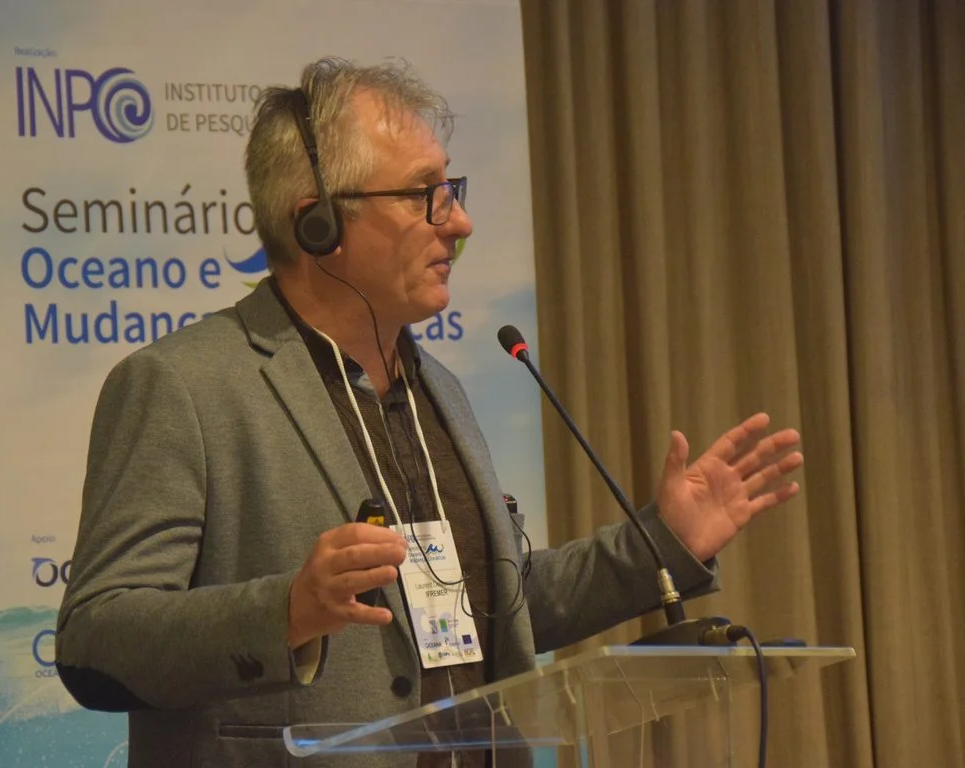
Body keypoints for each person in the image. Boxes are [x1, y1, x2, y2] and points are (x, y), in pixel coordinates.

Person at [55, 57, 803, 768]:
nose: (459, 222)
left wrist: (663, 543)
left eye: (451, 190)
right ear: (320, 223)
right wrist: (288, 611)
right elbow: (96, 641)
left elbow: (498, 607)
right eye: (425, 195)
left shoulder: (438, 390)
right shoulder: (183, 385)